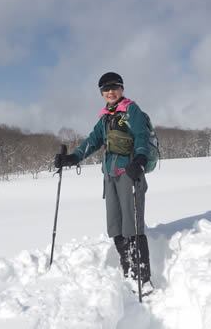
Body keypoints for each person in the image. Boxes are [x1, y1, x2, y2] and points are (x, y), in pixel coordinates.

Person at [54, 72, 153, 295]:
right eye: (106, 89)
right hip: (110, 175)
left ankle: (143, 278)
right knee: (115, 224)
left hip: (130, 172)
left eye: (114, 87)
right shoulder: (105, 117)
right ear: (101, 93)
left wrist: (140, 160)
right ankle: (127, 267)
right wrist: (73, 158)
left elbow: (140, 136)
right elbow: (93, 141)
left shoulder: (131, 110)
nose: (110, 91)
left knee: (133, 224)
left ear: (122, 89)